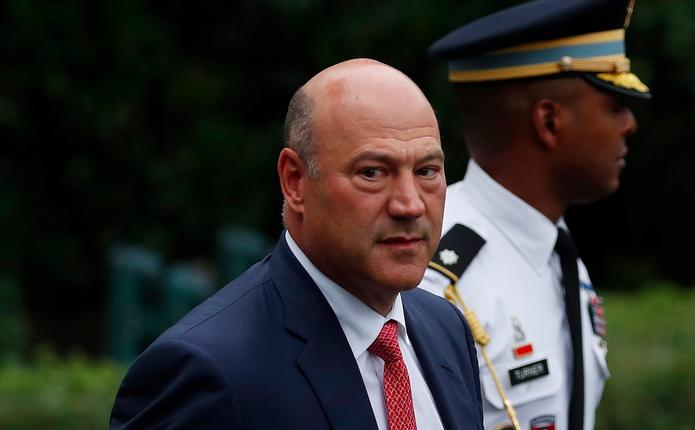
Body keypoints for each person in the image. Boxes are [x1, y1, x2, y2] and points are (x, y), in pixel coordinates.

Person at [110, 59, 484, 430]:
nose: (411, 204)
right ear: (295, 181)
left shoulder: (445, 328)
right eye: (372, 172)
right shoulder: (208, 373)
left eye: (427, 171)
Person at [418, 1, 651, 430]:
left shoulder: (555, 250)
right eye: (615, 105)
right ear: (548, 121)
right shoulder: (433, 275)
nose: (629, 124)